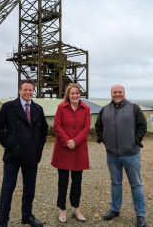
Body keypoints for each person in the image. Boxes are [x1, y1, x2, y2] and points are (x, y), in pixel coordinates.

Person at [0, 79, 48, 227]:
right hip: (13, 155)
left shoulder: (38, 109)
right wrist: (8, 143)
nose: (28, 92)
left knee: (29, 189)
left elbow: (44, 129)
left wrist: (39, 145)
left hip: (31, 156)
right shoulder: (8, 107)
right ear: (19, 91)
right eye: (25, 90)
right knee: (7, 190)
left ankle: (26, 216)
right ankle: (3, 220)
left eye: (31, 90)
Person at [95, 84, 147, 227]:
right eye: (114, 92)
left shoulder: (133, 108)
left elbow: (142, 125)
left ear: (124, 93)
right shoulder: (105, 110)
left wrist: (136, 140)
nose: (117, 94)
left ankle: (140, 215)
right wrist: (102, 139)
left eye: (120, 92)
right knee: (115, 183)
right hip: (112, 155)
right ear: (111, 94)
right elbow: (98, 126)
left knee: (136, 185)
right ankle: (115, 209)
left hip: (131, 154)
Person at [51, 83, 90, 223]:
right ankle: (62, 209)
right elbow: (57, 125)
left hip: (79, 149)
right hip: (64, 148)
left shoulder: (86, 109)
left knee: (77, 182)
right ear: (68, 95)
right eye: (72, 93)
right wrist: (67, 141)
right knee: (63, 182)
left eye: (77, 93)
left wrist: (76, 141)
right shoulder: (61, 108)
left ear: (80, 95)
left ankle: (76, 209)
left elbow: (86, 127)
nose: (75, 96)